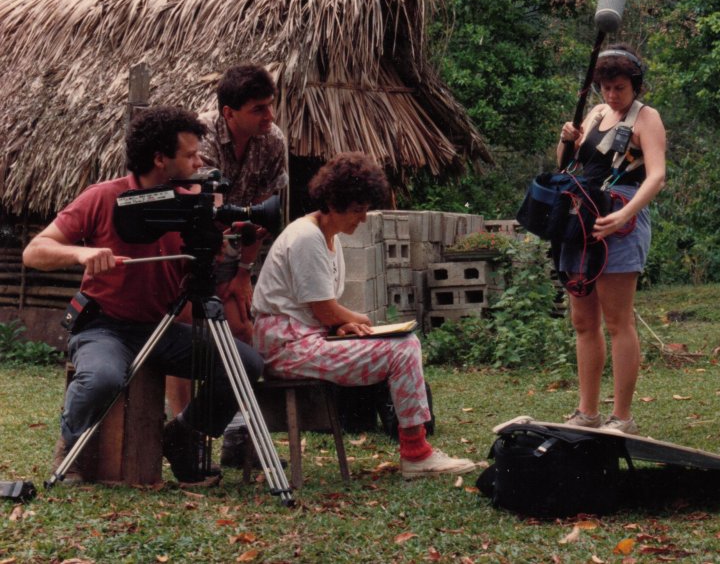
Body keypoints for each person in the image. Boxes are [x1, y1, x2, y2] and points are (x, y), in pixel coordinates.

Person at [23, 106, 264, 484]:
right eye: (189, 155)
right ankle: (71, 448)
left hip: (159, 328)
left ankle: (183, 435)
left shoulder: (192, 203)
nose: (199, 161)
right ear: (159, 158)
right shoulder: (103, 197)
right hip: (104, 326)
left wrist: (225, 247)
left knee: (246, 365)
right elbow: (34, 251)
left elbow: (205, 274)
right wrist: (82, 253)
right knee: (101, 379)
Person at [250, 152, 476, 479]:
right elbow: (325, 309)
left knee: (400, 343)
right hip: (286, 348)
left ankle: (416, 449)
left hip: (302, 340)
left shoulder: (328, 238)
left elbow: (320, 312)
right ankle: (416, 453)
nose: (363, 219)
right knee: (402, 347)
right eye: (357, 210)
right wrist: (357, 319)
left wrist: (344, 325)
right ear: (332, 202)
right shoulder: (306, 237)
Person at [172, 64, 287, 466]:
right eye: (258, 109)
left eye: (270, 107)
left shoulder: (273, 142)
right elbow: (194, 206)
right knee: (187, 333)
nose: (268, 117)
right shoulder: (199, 137)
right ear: (228, 113)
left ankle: (238, 438)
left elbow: (265, 215)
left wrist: (242, 274)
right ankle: (185, 437)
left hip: (238, 254)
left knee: (242, 330)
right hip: (190, 251)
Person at [555, 44, 667, 435]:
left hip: (621, 223)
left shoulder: (646, 118)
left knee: (618, 320)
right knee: (583, 320)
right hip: (581, 219)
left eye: (619, 87)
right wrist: (567, 138)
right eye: (605, 87)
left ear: (635, 85)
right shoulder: (598, 112)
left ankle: (622, 417)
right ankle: (588, 411)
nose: (612, 95)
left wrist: (626, 212)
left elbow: (656, 175)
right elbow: (568, 165)